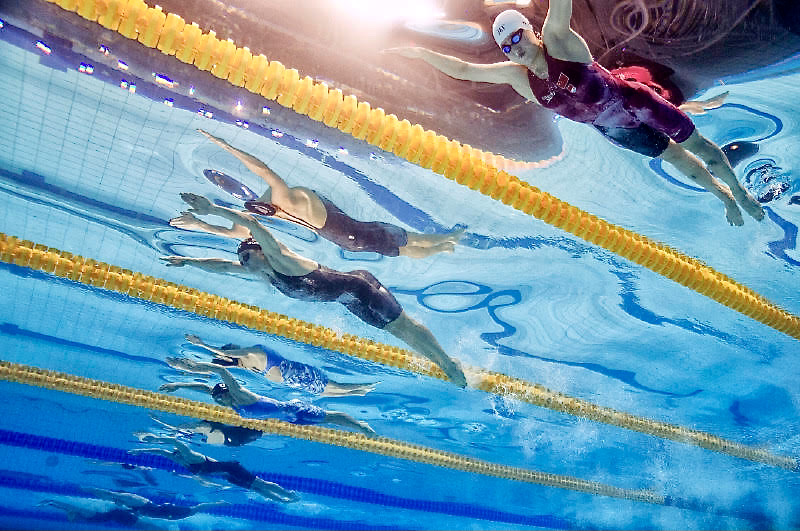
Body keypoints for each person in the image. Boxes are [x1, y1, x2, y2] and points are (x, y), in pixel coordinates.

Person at [385, 4, 765, 226]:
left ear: (530, 31)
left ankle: (743, 192)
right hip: (614, 130)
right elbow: (465, 70)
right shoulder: (519, 80)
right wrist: (419, 53)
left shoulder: (558, 42)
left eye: (517, 36)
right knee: (682, 163)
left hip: (637, 101)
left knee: (699, 145)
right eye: (506, 46)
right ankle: (724, 197)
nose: (514, 48)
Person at [162, 193, 468, 388]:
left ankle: (447, 362)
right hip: (349, 300)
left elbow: (251, 223)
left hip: (361, 287)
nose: (241, 262)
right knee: (397, 333)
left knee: (403, 327)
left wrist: (212, 209)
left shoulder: (279, 257)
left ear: (261, 251)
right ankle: (442, 362)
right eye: (241, 259)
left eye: (245, 256)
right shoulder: (265, 272)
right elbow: (221, 266)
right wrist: (186, 261)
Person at [171, 129, 464, 257]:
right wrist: (226, 146)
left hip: (348, 240)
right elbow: (263, 170)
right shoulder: (284, 199)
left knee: (399, 248)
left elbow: (236, 232)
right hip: (354, 234)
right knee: (408, 238)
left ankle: (441, 248)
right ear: (265, 206)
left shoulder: (272, 208)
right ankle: (447, 240)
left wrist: (200, 225)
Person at [161, 357, 376, 434]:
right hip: (288, 418)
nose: (220, 402)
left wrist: (196, 366)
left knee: (330, 417)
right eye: (218, 400)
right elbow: (204, 389)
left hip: (294, 410)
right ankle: (358, 412)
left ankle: (362, 426)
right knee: (328, 421)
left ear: (227, 391)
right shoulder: (226, 399)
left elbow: (222, 371)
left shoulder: (239, 394)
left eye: (221, 398)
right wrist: (178, 385)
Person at [185, 333, 377, 397]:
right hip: (292, 381)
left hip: (299, 373)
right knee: (326, 392)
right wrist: (196, 360)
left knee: (335, 387)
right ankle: (360, 391)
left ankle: (368, 386)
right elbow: (221, 362)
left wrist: (201, 344)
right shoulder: (244, 364)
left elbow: (225, 355)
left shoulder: (252, 352)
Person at [129, 434, 299, 502]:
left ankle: (288, 494)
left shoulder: (190, 456)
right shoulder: (180, 460)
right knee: (257, 489)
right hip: (227, 476)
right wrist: (141, 450)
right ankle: (284, 500)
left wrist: (155, 437)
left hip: (233, 469)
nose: (175, 457)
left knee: (260, 484)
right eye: (175, 455)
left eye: (177, 454)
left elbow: (175, 442)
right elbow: (161, 452)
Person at [39, 489, 227, 523]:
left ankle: (50, 501)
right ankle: (218, 503)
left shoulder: (87, 516)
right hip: (151, 508)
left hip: (149, 508)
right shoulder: (88, 516)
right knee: (195, 509)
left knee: (195, 509)